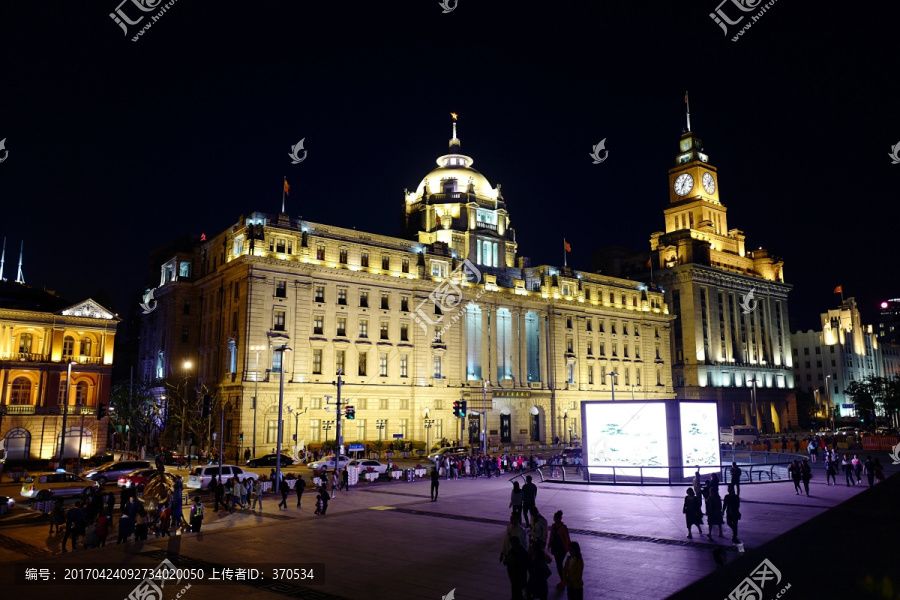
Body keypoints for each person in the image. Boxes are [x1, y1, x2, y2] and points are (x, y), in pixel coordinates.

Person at [548, 510, 571, 590]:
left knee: (559, 563)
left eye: (555, 518)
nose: (554, 519)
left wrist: (569, 548)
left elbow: (567, 538)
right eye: (554, 518)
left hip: (562, 548)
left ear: (559, 518)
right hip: (556, 547)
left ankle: (563, 579)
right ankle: (563, 578)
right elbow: (551, 536)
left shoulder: (563, 528)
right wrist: (549, 544)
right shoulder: (553, 526)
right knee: (559, 564)